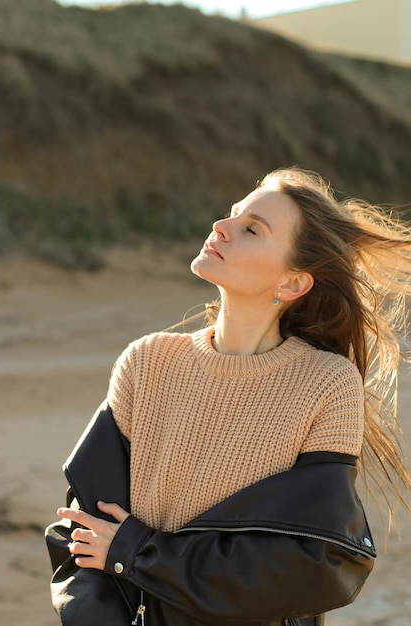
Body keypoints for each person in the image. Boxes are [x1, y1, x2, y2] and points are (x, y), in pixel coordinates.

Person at [46, 167, 411, 626]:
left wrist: (137, 552)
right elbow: (80, 533)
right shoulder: (146, 362)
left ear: (293, 284)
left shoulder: (327, 383)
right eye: (233, 214)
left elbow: (311, 565)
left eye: (251, 229)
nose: (222, 226)